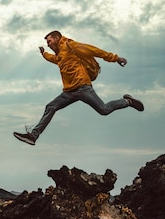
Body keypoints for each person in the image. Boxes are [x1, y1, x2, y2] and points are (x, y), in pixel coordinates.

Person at [13, 30, 144, 145]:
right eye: (47, 43)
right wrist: (44, 54)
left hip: (83, 88)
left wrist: (115, 58)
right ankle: (33, 136)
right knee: (50, 106)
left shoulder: (71, 45)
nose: (48, 44)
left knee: (104, 110)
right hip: (69, 92)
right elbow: (54, 59)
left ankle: (127, 101)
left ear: (57, 38)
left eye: (49, 41)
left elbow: (94, 51)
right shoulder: (60, 55)